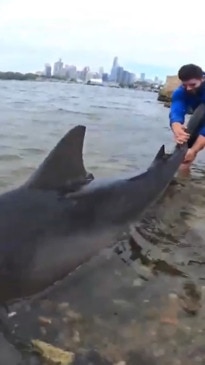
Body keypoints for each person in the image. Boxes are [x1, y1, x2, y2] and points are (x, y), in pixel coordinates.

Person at [169, 63, 205, 171]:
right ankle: (182, 182)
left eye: (193, 85)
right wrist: (176, 125)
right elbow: (177, 108)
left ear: (203, 79)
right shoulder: (180, 92)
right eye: (185, 85)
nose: (188, 88)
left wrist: (195, 149)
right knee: (185, 150)